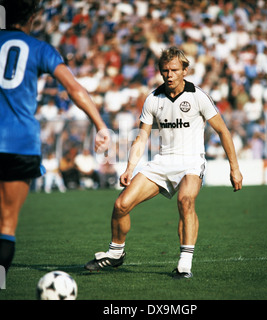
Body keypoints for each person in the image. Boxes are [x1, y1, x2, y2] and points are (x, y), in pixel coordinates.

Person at [85, 47, 243, 279]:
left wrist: (235, 168)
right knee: (121, 204)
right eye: (165, 70)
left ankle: (184, 264)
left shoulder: (198, 96)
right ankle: (116, 253)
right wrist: (129, 168)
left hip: (191, 162)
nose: (169, 74)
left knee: (185, 200)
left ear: (185, 71)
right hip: (162, 162)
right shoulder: (153, 99)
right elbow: (142, 138)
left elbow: (223, 131)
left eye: (174, 70)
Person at [0, 0, 109, 273]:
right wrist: (100, 125)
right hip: (20, 143)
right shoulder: (39, 48)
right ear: (34, 17)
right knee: (6, 225)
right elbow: (74, 88)